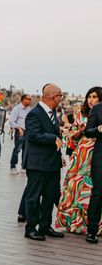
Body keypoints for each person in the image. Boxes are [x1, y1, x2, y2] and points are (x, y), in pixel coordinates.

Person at [55, 88, 102, 234]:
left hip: (96, 151)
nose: (91, 100)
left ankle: (93, 224)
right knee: (76, 187)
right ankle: (76, 222)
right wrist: (81, 130)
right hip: (82, 153)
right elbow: (70, 136)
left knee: (93, 189)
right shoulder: (81, 115)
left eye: (94, 97)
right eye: (89, 96)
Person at [22, 83, 65, 241]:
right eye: (60, 95)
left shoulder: (52, 113)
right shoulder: (35, 114)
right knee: (33, 197)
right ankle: (31, 228)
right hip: (37, 164)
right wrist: (53, 138)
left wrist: (59, 155)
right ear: (54, 97)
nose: (61, 98)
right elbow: (33, 135)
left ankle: (45, 226)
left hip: (52, 164)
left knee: (50, 196)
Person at [84, 94, 102, 244]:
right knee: (98, 194)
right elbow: (88, 131)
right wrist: (99, 128)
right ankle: (92, 231)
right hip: (100, 158)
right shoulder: (97, 109)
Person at [9, 94, 32, 174]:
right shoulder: (17, 109)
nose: (29, 101)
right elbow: (11, 121)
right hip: (20, 131)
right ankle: (13, 166)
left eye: (30, 99)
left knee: (26, 150)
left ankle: (23, 166)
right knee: (17, 149)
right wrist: (19, 128)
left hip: (28, 132)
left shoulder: (29, 109)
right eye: (27, 99)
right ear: (23, 99)